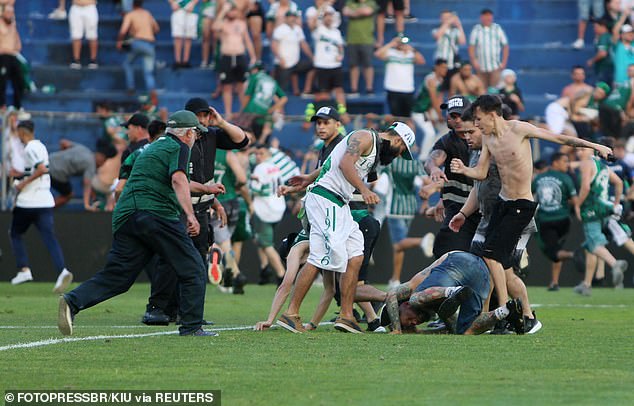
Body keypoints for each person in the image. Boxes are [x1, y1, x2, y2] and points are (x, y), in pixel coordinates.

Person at [57, 110, 218, 337]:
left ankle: (72, 301)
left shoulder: (152, 148)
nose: (197, 138)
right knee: (193, 267)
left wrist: (207, 189)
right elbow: (178, 179)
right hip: (155, 212)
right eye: (196, 134)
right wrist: (190, 215)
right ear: (188, 133)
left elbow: (174, 180)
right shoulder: (179, 147)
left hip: (126, 216)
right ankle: (192, 326)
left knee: (118, 276)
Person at [449, 94, 612, 310]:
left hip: (521, 205)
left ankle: (504, 308)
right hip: (502, 203)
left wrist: (594, 146)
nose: (476, 124)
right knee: (494, 260)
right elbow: (481, 173)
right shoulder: (488, 139)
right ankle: (519, 313)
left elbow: (560, 139)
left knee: (491, 255)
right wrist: (464, 170)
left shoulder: (519, 129)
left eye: (478, 119)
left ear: (491, 115)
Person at [276, 121, 415, 334]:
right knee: (321, 256)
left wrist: (307, 178)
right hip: (326, 199)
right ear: (398, 140)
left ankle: (347, 315)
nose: (398, 155)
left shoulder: (374, 148)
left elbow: (330, 163)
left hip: (340, 203)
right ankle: (291, 314)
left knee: (356, 252)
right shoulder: (365, 136)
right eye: (401, 151)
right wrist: (364, 190)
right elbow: (344, 164)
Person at [141, 97, 248, 324]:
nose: (203, 120)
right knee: (170, 258)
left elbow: (242, 140)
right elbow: (179, 181)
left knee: (197, 261)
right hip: (176, 207)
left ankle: (187, 312)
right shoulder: (176, 143)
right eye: (198, 116)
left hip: (201, 208)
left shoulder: (210, 136)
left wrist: (221, 122)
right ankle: (158, 307)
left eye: (206, 115)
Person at [449, 107, 541, 334]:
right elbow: (478, 189)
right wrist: (463, 213)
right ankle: (495, 316)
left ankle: (514, 315)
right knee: (490, 267)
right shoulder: (479, 152)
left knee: (499, 268)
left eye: (473, 130)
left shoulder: (501, 149)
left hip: (511, 217)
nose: (468, 136)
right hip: (489, 218)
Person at [380, 251, 524, 335]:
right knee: (464, 329)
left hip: (459, 262)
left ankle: (453, 291)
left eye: (407, 321)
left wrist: (397, 329)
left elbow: (391, 294)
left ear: (403, 305)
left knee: (415, 298)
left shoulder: (413, 287)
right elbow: (451, 329)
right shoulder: (441, 309)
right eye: (410, 326)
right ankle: (506, 311)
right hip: (481, 275)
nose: (413, 322)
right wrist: (419, 332)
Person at [9, 120, 73, 294]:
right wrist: (21, 175)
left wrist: (22, 184)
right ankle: (62, 271)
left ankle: (24, 270)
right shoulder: (41, 146)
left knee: (15, 233)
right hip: (45, 201)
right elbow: (37, 169)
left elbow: (42, 169)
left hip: (29, 201)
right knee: (49, 238)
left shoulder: (29, 148)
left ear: (22, 133)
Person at [425, 95, 481, 258]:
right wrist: (434, 168)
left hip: (485, 207)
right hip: (458, 208)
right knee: (445, 252)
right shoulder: (447, 141)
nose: (456, 120)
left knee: (492, 261)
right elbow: (432, 160)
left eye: (461, 115)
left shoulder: (486, 138)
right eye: (453, 115)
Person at [573, 147, 628, 295]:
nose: (579, 152)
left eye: (582, 149)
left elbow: (585, 186)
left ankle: (615, 264)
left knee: (594, 243)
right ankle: (586, 284)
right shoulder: (603, 166)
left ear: (591, 151)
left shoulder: (586, 163)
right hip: (604, 208)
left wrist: (578, 204)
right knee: (590, 245)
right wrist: (615, 204)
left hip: (591, 207)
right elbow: (619, 183)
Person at [384, 156, 433, 287]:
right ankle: (395, 279)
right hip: (410, 207)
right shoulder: (415, 163)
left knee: (398, 244)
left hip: (394, 207)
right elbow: (427, 182)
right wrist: (425, 202)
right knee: (400, 246)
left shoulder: (391, 162)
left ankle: (422, 241)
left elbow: (376, 180)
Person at [532, 152, 578, 291]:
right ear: (555, 162)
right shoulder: (566, 178)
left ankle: (573, 255)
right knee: (557, 249)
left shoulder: (539, 178)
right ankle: (555, 282)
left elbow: (528, 195)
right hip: (564, 221)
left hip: (545, 221)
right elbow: (575, 201)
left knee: (552, 251)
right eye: (564, 161)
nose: (567, 164)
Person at [249, 144, 287, 284]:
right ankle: (265, 269)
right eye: (257, 154)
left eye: (262, 153)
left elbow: (256, 190)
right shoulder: (275, 166)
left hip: (264, 209)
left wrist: (249, 180)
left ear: (268, 154)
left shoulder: (259, 168)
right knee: (260, 240)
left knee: (266, 244)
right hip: (278, 207)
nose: (258, 156)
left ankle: (281, 274)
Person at [214, 2, 256, 117]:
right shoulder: (222, 23)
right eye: (230, 10)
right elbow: (214, 27)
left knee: (241, 87)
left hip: (240, 56)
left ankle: (242, 112)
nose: (231, 12)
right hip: (227, 57)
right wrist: (223, 11)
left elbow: (247, 41)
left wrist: (253, 57)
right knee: (227, 87)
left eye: (234, 10)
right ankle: (228, 112)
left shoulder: (241, 24)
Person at [375, 36, 425, 124]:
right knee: (395, 118)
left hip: (408, 89)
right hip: (393, 89)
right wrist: (391, 44)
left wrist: (411, 49)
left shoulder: (410, 53)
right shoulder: (390, 53)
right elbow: (378, 54)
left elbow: (421, 61)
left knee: (409, 118)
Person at [117, 0, 159, 93]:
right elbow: (156, 29)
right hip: (150, 45)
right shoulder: (147, 13)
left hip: (137, 43)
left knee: (127, 64)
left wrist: (119, 41)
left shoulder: (131, 14)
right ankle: (152, 94)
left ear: (132, 4)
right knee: (148, 73)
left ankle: (131, 87)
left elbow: (123, 31)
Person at [241, 61, 288, 143]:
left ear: (256, 70)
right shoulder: (272, 81)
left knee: (247, 139)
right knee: (263, 140)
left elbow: (247, 96)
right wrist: (272, 109)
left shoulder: (255, 77)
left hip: (252, 111)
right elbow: (284, 98)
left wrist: (243, 111)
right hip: (265, 114)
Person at [411, 58, 447, 160]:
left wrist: (437, 114)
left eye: (446, 68)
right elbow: (433, 100)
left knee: (446, 129)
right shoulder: (431, 79)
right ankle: (422, 159)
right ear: (436, 67)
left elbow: (439, 100)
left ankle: (432, 150)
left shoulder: (441, 80)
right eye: (443, 67)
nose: (445, 70)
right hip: (419, 111)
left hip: (430, 110)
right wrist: (439, 116)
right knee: (430, 133)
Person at [271, 10, 313, 96]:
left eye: (294, 17)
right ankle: (278, 107)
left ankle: (306, 90)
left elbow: (303, 44)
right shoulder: (280, 29)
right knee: (281, 89)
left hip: (295, 63)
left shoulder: (298, 29)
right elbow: (274, 45)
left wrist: (312, 57)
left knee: (314, 65)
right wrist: (280, 58)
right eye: (290, 17)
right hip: (284, 63)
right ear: (286, 18)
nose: (292, 19)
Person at [312, 7, 346, 110]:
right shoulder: (319, 30)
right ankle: (323, 113)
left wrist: (341, 55)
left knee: (339, 90)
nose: (329, 18)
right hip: (322, 65)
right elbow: (313, 22)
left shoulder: (336, 32)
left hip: (335, 65)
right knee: (323, 92)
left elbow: (340, 47)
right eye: (326, 16)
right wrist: (324, 5)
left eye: (330, 16)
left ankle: (342, 113)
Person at [48, 140, 98, 210]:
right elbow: (87, 184)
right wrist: (86, 205)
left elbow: (63, 142)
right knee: (68, 195)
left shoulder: (84, 149)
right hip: (57, 172)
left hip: (49, 160)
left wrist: (63, 155)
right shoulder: (91, 164)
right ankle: (47, 210)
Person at [343, 0, 377, 96]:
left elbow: (367, 11)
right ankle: (354, 89)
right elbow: (345, 11)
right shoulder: (350, 2)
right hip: (352, 39)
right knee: (353, 65)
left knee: (368, 65)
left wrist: (354, 12)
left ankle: (369, 89)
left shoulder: (371, 2)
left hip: (367, 39)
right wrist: (359, 11)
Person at [468, 9, 509, 89]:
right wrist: (474, 61)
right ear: (481, 17)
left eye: (489, 16)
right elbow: (471, 47)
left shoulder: (497, 28)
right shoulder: (477, 29)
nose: (488, 18)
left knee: (494, 92)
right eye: (485, 16)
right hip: (481, 67)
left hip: (495, 67)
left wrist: (503, 62)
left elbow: (505, 46)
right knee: (481, 91)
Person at [0, 5, 23, 110]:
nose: (10, 14)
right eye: (8, 12)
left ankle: (17, 106)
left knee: (19, 80)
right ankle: (1, 105)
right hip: (3, 56)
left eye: (12, 12)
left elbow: (17, 41)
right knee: (2, 81)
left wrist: (17, 47)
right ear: (3, 13)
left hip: (13, 56)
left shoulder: (13, 25)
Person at [68, 0, 98, 69]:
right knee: (76, 35)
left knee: (92, 35)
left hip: (90, 7)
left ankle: (93, 60)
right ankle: (76, 60)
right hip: (76, 7)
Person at [169, 0, 199, 68]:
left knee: (189, 37)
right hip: (177, 8)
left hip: (191, 9)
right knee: (177, 36)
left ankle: (186, 61)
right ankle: (177, 61)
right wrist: (172, 3)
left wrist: (193, 3)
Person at [587, 18, 614, 85]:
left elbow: (602, 53)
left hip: (603, 69)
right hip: (610, 68)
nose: (594, 29)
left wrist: (591, 61)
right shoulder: (609, 36)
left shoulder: (604, 37)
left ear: (603, 26)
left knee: (600, 90)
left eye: (595, 27)